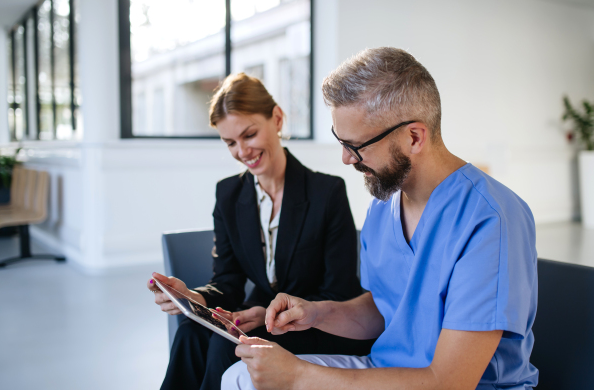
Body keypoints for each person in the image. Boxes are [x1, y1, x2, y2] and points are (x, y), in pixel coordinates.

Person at [222, 47, 539, 390]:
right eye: (340, 141)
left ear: (414, 137)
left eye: (356, 146)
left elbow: (449, 381)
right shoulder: (384, 202)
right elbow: (383, 308)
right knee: (242, 378)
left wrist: (299, 376)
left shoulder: (489, 220)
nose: (346, 159)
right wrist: (315, 313)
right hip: (387, 370)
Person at [147, 73, 374, 390]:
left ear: (277, 119)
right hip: (260, 317)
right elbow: (228, 282)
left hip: (319, 322)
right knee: (189, 331)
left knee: (227, 346)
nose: (242, 151)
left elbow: (338, 290)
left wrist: (269, 312)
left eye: (249, 135)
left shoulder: (327, 192)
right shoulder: (228, 194)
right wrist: (194, 297)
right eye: (230, 143)